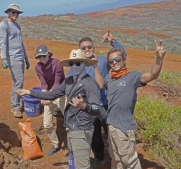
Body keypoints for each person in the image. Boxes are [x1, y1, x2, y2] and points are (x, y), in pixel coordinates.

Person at [16, 49, 107, 169]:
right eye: (71, 63)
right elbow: (52, 94)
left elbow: (97, 109)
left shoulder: (89, 83)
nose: (74, 66)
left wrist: (84, 106)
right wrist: (29, 92)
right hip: (71, 128)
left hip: (82, 129)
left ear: (84, 64)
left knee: (82, 166)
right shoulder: (69, 81)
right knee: (76, 159)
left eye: (78, 63)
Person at [94, 40, 166, 169]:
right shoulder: (109, 79)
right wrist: (95, 67)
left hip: (124, 127)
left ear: (124, 60)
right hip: (111, 126)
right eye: (111, 61)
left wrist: (159, 59)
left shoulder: (132, 77)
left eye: (117, 59)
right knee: (116, 159)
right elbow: (100, 84)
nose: (114, 62)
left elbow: (152, 75)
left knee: (130, 162)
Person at [67, 31, 126, 163]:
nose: (87, 49)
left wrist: (113, 41)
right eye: (83, 48)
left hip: (105, 105)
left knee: (111, 132)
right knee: (95, 136)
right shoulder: (76, 65)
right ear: (80, 50)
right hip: (88, 107)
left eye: (89, 47)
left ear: (94, 48)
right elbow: (68, 84)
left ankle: (118, 158)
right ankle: (100, 159)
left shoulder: (102, 60)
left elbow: (122, 56)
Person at [0, 3, 30, 118]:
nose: (15, 14)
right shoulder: (4, 24)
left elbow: (20, 43)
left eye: (17, 13)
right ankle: (15, 106)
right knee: (18, 81)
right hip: (12, 57)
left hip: (20, 57)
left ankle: (19, 103)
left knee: (20, 81)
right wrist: (4, 58)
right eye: (13, 12)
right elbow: (2, 42)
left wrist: (26, 58)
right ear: (8, 12)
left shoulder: (17, 26)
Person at [34, 44, 66, 156]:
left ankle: (73, 143)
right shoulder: (38, 67)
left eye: (44, 55)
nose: (42, 58)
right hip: (49, 93)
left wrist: (49, 96)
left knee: (70, 119)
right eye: (39, 56)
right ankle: (55, 144)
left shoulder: (57, 63)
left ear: (48, 54)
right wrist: (44, 96)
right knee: (47, 124)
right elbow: (43, 83)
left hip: (61, 92)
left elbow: (57, 82)